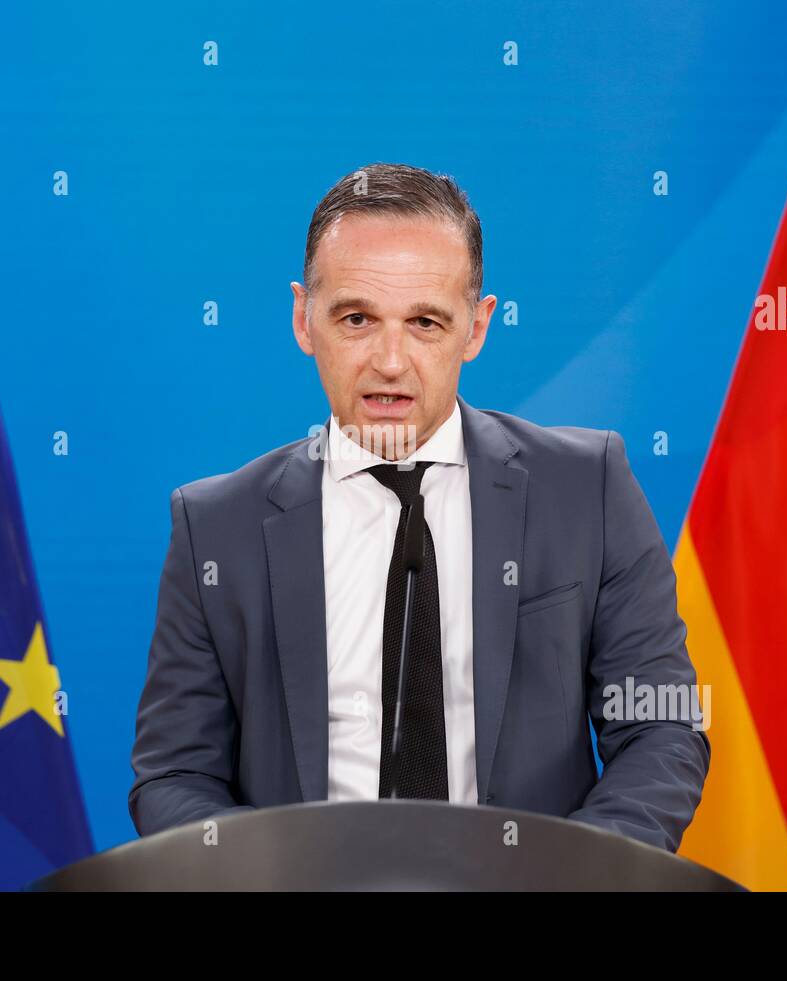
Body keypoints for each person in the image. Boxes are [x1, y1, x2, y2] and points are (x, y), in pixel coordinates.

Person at [129, 162, 709, 851]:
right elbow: (173, 771)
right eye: (356, 318)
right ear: (302, 319)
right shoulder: (213, 526)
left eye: (426, 322)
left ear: (477, 327)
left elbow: (662, 727)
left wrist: (563, 879)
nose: (391, 360)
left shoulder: (589, 487)